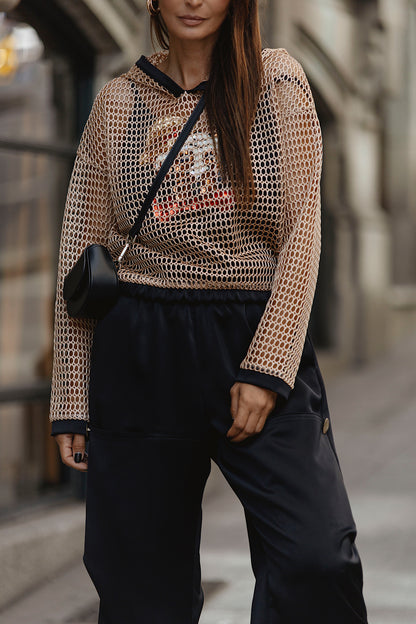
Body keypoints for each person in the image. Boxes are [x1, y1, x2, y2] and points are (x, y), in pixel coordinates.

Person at [49, 1, 369, 622]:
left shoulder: (277, 81)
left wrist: (269, 368)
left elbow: (302, 233)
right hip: (141, 347)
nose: (194, 0)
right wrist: (70, 396)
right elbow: (80, 252)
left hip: (249, 336)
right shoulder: (118, 101)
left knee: (315, 559)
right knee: (141, 589)